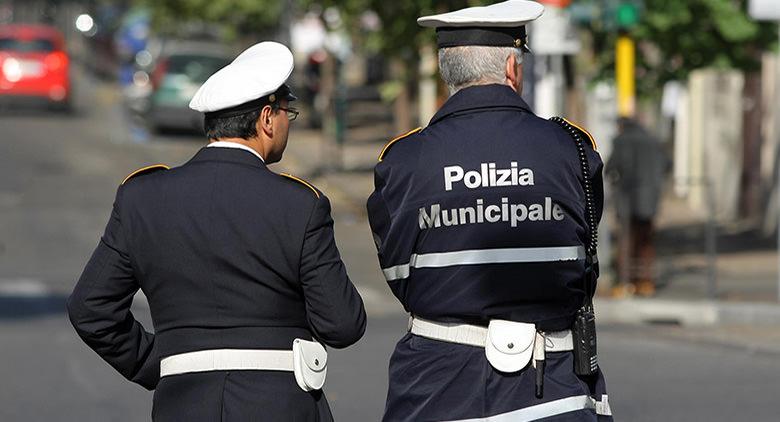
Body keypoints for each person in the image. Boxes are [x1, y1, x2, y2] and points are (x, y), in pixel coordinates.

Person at [67, 41, 366, 421]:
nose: (289, 121)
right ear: (267, 119)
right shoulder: (300, 203)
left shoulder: (141, 198)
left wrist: (156, 363)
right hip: (279, 407)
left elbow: (90, 308)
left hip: (182, 405)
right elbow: (343, 325)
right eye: (287, 111)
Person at [366, 1, 612, 420]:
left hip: (435, 386)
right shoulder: (573, 148)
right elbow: (583, 255)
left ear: (445, 73)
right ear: (514, 69)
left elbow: (400, 275)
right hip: (555, 387)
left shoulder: (402, 160)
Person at [607, 117, 669, 297]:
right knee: (646, 242)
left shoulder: (621, 141)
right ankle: (646, 282)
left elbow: (611, 168)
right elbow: (667, 165)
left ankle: (626, 283)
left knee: (626, 241)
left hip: (627, 199)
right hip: (649, 200)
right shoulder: (653, 141)